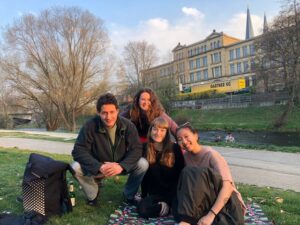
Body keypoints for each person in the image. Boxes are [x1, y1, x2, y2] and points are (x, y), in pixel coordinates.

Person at [71, 93, 149, 206]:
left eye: (112, 112)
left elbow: (136, 149)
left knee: (143, 164)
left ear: (117, 111)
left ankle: (129, 195)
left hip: (121, 164)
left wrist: (121, 165)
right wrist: (99, 166)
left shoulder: (128, 125)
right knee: (75, 167)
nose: (108, 117)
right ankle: (93, 193)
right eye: (104, 113)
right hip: (98, 165)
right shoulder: (89, 126)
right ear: (98, 113)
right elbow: (78, 150)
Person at [174, 122, 245, 225]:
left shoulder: (211, 155)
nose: (184, 142)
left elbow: (227, 187)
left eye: (186, 136)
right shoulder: (185, 157)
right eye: (179, 139)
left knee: (190, 171)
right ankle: (189, 218)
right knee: (176, 203)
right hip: (207, 200)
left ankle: (187, 221)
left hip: (226, 203)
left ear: (196, 135)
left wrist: (211, 215)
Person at [137, 117, 184, 218]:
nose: (158, 133)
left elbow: (179, 176)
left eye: (162, 130)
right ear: (151, 130)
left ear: (167, 132)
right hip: (154, 194)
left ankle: (169, 208)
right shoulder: (145, 147)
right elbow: (144, 176)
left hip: (172, 192)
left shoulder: (174, 148)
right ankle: (164, 209)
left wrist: (166, 200)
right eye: (155, 129)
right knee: (143, 210)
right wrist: (144, 195)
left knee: (180, 214)